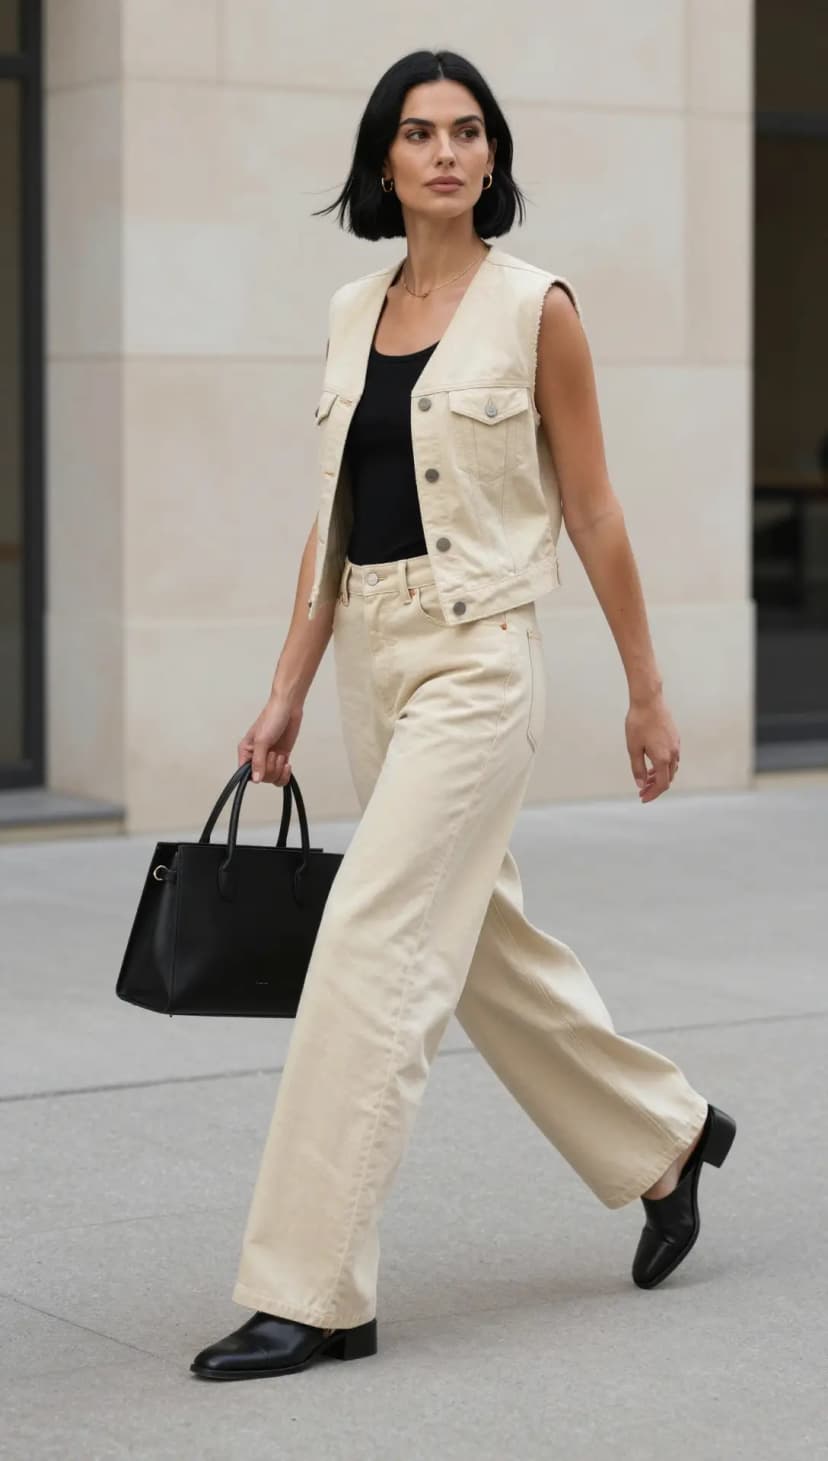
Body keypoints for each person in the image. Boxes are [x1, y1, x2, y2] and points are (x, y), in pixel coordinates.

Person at [190, 48, 736, 1383]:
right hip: (376, 662)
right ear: (384, 161)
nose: (446, 152)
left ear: (493, 158)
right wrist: (288, 688)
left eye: (469, 132)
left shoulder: (536, 308)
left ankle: (313, 1289)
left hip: (481, 666)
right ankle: (664, 1137)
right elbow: (325, 524)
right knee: (481, 943)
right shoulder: (347, 314)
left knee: (371, 951)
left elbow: (596, 506)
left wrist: (647, 687)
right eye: (420, 133)